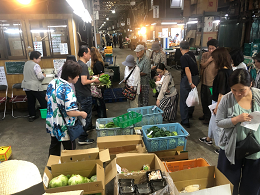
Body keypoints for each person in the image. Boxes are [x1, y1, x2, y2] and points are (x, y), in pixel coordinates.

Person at [216, 69, 260, 195]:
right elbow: (219, 122)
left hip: (255, 148)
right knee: (228, 183)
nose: (238, 93)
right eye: (234, 90)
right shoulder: (227, 99)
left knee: (252, 185)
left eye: (242, 90)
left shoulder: (258, 96)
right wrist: (236, 119)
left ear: (250, 84)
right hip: (231, 148)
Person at [46, 60, 87, 156]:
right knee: (70, 150)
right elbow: (70, 112)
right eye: (77, 75)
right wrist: (81, 113)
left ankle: (52, 166)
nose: (78, 77)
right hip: (65, 126)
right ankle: (69, 167)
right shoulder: (68, 90)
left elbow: (47, 97)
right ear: (70, 77)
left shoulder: (53, 82)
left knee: (54, 146)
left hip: (53, 121)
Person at [199, 47, 233, 154]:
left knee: (218, 125)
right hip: (220, 102)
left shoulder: (223, 73)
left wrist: (218, 107)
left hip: (220, 102)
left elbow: (221, 92)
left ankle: (221, 148)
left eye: (214, 58)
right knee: (212, 122)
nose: (213, 60)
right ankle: (209, 139)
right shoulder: (228, 70)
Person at [74, 45, 99, 145]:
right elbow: (84, 81)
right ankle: (82, 138)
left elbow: (82, 78)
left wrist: (91, 76)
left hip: (79, 93)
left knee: (84, 115)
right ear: (84, 54)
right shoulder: (83, 66)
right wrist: (94, 80)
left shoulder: (78, 64)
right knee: (85, 116)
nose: (90, 56)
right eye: (89, 54)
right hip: (84, 94)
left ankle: (86, 129)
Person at [21, 51, 47, 122]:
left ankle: (32, 116)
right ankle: (47, 115)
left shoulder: (26, 63)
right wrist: (44, 75)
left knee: (31, 101)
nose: (40, 60)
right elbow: (40, 77)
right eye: (39, 58)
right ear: (34, 58)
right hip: (35, 86)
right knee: (43, 100)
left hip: (26, 86)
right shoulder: (36, 65)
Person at [179, 41, 199, 128]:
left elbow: (187, 70)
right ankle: (190, 114)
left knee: (183, 100)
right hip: (196, 77)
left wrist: (190, 82)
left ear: (180, 48)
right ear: (189, 48)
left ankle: (185, 121)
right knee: (191, 95)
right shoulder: (191, 54)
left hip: (188, 79)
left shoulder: (183, 57)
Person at [199, 39, 218, 124]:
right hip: (204, 82)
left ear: (217, 48)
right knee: (204, 100)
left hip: (212, 84)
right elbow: (202, 66)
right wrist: (209, 60)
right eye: (209, 48)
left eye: (212, 48)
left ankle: (210, 117)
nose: (210, 50)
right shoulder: (205, 55)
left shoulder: (219, 57)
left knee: (211, 101)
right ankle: (205, 114)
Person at [90, 47, 107, 118]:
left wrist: (93, 76)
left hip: (99, 85)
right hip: (98, 84)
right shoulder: (97, 62)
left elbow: (102, 74)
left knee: (101, 101)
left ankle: (102, 116)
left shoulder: (98, 64)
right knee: (99, 100)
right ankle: (100, 113)